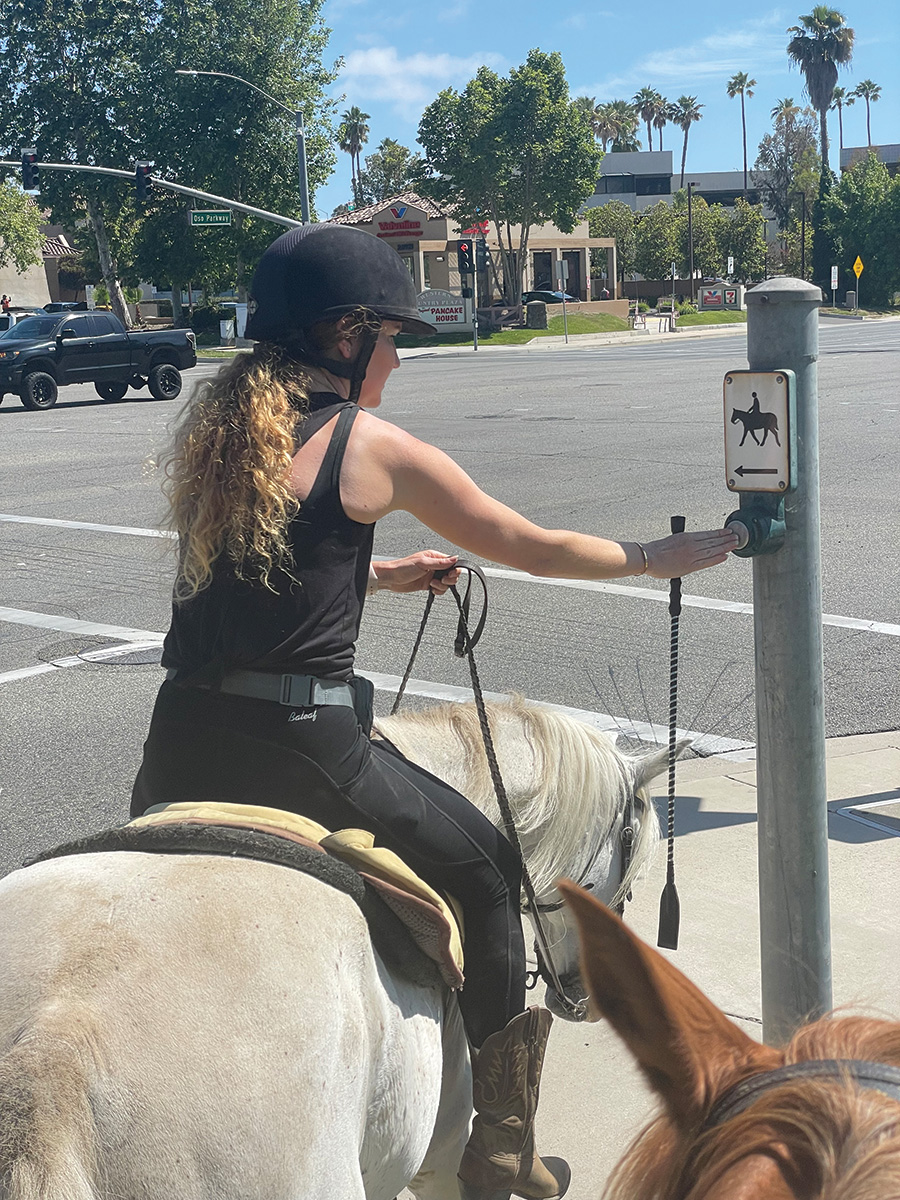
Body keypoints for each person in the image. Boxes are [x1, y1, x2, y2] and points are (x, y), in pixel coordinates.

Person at [132, 223, 738, 1200]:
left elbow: (255, 584)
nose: (399, 357)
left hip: (178, 747)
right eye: (389, 337)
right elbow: (529, 545)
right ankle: (497, 1148)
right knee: (494, 879)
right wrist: (649, 559)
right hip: (302, 748)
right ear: (345, 339)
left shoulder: (221, 435)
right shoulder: (369, 445)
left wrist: (383, 576)